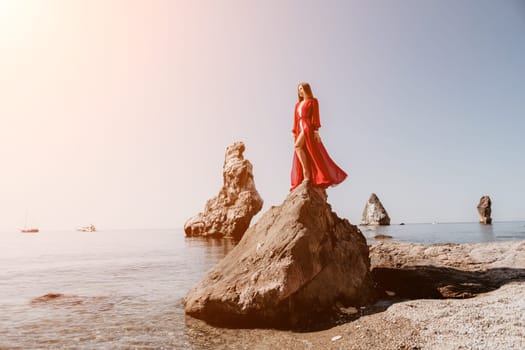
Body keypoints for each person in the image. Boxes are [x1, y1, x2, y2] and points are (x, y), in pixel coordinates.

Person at [290, 82, 347, 191]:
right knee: (301, 149)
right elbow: (296, 120)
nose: (300, 91)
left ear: (307, 89)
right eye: (299, 89)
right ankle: (306, 174)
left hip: (307, 127)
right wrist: (293, 132)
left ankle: (306, 174)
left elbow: (315, 116)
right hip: (299, 128)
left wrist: (316, 131)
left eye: (301, 89)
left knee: (297, 146)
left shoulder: (313, 101)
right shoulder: (297, 105)